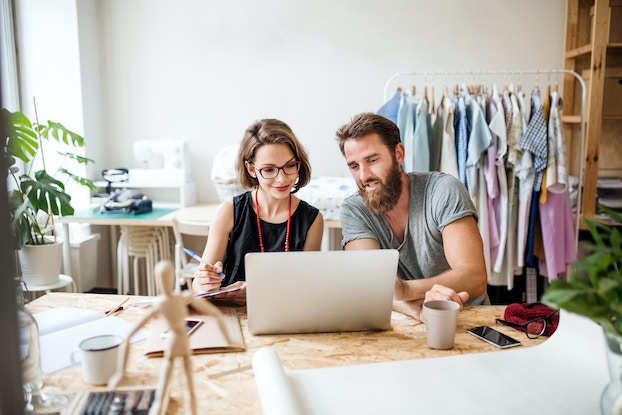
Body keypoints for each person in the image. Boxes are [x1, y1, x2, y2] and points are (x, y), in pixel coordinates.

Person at [335, 112, 489, 321]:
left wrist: (406, 289)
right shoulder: (354, 210)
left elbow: (474, 276)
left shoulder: (443, 190)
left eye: (372, 160)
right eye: (354, 166)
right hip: (407, 323)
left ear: (398, 154)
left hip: (468, 317)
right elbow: (370, 285)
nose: (363, 176)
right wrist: (419, 311)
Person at [192, 119, 324, 302]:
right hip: (231, 316)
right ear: (251, 169)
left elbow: (308, 287)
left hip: (285, 315)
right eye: (269, 170)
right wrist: (203, 283)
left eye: (290, 166)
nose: (281, 179)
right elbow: (198, 287)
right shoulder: (228, 212)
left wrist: (259, 292)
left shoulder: (312, 220)